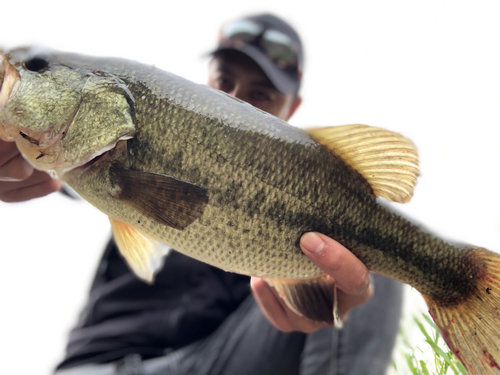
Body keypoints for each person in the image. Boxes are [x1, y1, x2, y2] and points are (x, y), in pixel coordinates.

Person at [0, 14, 403, 375]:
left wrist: (321, 303)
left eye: (261, 94)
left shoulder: (304, 197)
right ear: (207, 76)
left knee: (364, 252)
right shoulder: (132, 132)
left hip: (219, 359)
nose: (234, 97)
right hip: (101, 365)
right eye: (225, 81)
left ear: (291, 108)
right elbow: (52, 169)